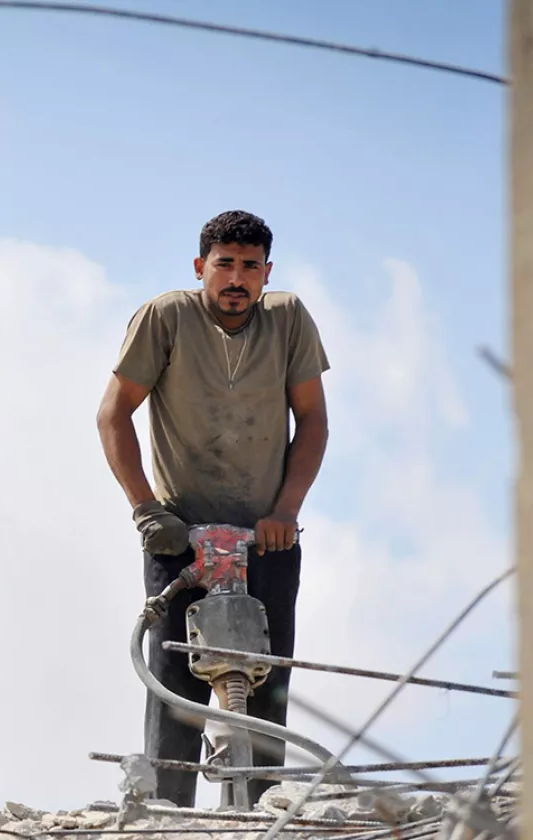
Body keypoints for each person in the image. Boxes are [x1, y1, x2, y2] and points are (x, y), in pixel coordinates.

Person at [95, 210, 330, 806]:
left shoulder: (288, 319)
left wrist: (286, 509)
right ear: (200, 267)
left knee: (267, 680)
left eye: (250, 267)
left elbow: (314, 419)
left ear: (266, 273)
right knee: (176, 681)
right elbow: (113, 413)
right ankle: (172, 812)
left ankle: (258, 811)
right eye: (224, 264)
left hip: (266, 537)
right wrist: (147, 510)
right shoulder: (167, 317)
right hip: (183, 534)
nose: (236, 278)